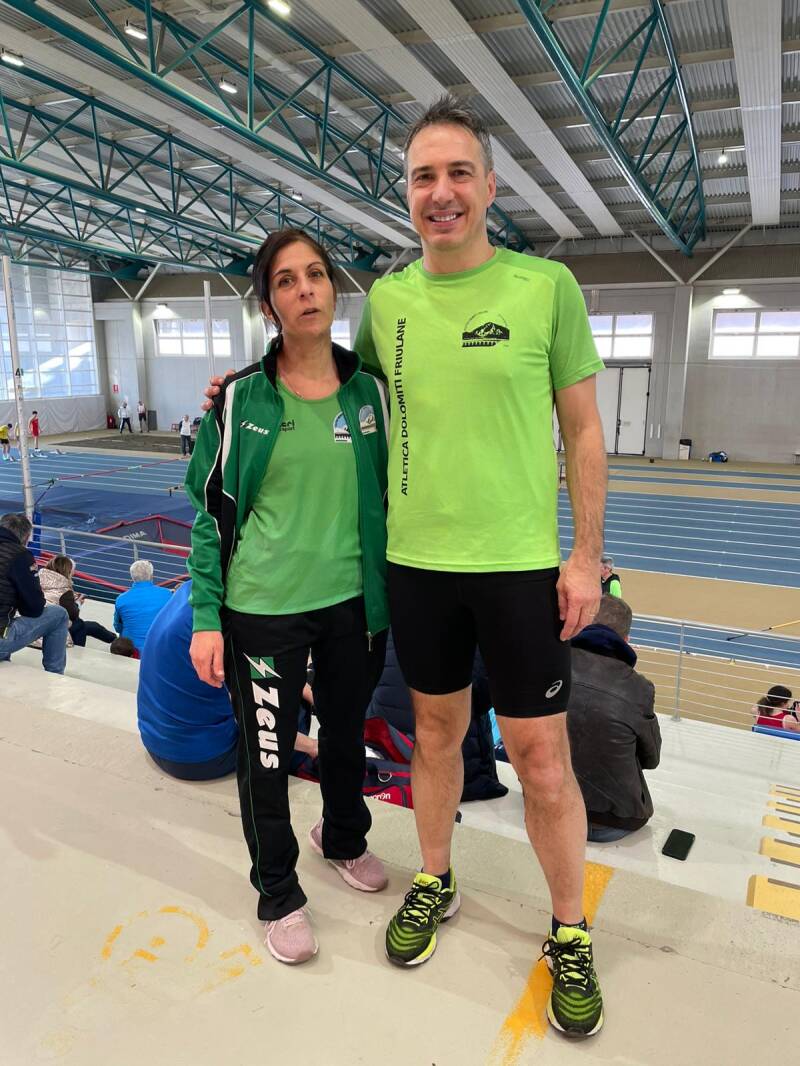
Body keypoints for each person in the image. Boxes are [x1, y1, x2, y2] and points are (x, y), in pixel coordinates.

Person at [204, 97, 608, 1034]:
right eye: (424, 177)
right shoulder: (388, 302)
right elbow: (322, 377)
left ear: (490, 186)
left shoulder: (546, 288)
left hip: (518, 569)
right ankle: (435, 878)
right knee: (433, 737)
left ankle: (570, 928)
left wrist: (587, 556)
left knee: (543, 763)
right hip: (416, 569)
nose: (442, 192)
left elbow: (584, 431)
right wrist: (237, 387)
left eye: (459, 172)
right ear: (408, 194)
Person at [186, 228, 391, 966]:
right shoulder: (241, 397)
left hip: (353, 607)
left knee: (344, 734)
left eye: (316, 275)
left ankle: (342, 837)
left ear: (333, 289)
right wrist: (206, 616)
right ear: (269, 306)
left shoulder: (371, 393)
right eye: (285, 280)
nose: (305, 289)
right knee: (267, 757)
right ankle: (277, 891)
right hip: (263, 610)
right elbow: (209, 512)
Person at [138, 579, 318, 781]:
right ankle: (299, 764)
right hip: (200, 759)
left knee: (287, 684)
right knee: (293, 706)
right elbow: (259, 716)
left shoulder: (195, 591)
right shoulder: (237, 623)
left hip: (155, 739)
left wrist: (313, 696)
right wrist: (313, 746)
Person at [367, 633, 508, 803]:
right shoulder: (476, 630)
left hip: (387, 767)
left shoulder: (387, 626)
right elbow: (487, 694)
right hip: (465, 779)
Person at [567, 596, 660, 842]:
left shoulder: (548, 664)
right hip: (613, 820)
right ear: (626, 640)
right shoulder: (639, 689)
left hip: (548, 806)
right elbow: (651, 759)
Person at [0, 512, 68, 673]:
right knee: (59, 614)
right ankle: (55, 674)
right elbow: (34, 608)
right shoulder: (20, 556)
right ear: (25, 537)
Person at [39, 555, 116, 647]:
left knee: (93, 626)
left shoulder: (40, 580)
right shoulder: (64, 590)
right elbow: (73, 615)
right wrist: (78, 603)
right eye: (72, 571)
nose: (74, 573)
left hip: (39, 624)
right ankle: (78, 650)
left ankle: (115, 640)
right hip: (54, 629)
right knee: (79, 624)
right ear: (67, 571)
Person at [113, 559, 171, 653]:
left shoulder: (121, 599)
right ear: (151, 575)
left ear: (132, 577)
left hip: (131, 650)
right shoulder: (167, 594)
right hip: (160, 648)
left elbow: (117, 626)